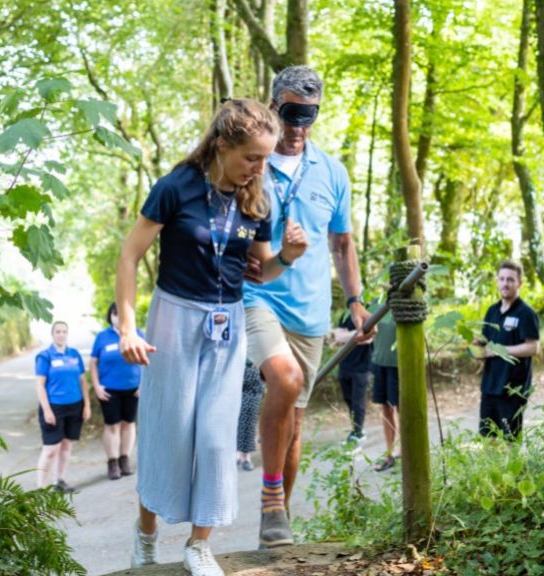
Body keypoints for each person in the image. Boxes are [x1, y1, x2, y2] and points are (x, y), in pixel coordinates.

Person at [115, 99, 308, 576]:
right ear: (222, 145)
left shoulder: (256, 199)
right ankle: (146, 534)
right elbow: (128, 256)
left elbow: (261, 274)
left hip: (228, 322)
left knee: (219, 439)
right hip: (174, 317)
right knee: (170, 432)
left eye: (265, 158)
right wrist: (126, 327)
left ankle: (199, 545)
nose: (260, 167)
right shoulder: (175, 188)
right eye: (252, 157)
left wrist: (288, 256)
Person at [243, 65, 375, 549]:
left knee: (294, 422)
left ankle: (276, 525)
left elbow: (342, 244)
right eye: (292, 113)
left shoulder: (331, 171)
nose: (299, 127)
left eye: (310, 116)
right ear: (274, 106)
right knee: (284, 378)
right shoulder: (251, 163)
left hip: (311, 311)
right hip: (258, 296)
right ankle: (270, 497)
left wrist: (356, 302)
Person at [476, 260, 540, 439]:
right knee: (488, 437)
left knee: (510, 440)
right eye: (502, 279)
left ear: (519, 283)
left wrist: (499, 350)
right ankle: (491, 468)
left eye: (510, 280)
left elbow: (533, 347)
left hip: (513, 389)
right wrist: (477, 348)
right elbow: (485, 345)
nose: (505, 283)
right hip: (489, 386)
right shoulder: (491, 312)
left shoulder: (526, 313)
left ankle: (512, 468)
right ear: (497, 281)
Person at [34, 320, 90, 493]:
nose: (61, 334)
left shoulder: (74, 354)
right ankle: (41, 488)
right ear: (53, 334)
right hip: (54, 408)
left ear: (67, 334)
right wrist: (47, 410)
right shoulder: (45, 356)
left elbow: (83, 381)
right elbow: (40, 385)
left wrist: (87, 405)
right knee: (50, 449)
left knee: (67, 445)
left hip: (75, 406)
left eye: (64, 331)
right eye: (58, 331)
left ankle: (60, 481)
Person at [90, 302, 143, 481]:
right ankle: (112, 462)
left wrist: (144, 384)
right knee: (111, 426)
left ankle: (124, 459)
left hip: (133, 389)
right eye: (115, 313)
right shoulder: (102, 337)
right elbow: (93, 363)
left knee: (128, 424)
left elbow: (148, 359)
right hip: (109, 390)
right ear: (110, 316)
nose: (118, 317)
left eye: (122, 314)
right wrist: (97, 386)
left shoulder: (137, 333)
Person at [329, 311, 373, 446]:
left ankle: (358, 432)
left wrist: (343, 336)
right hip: (345, 364)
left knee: (357, 402)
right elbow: (336, 335)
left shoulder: (366, 312)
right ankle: (355, 429)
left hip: (362, 366)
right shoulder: (345, 314)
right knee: (348, 399)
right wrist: (352, 336)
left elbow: (367, 338)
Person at [370, 308, 399, 472]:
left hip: (399, 364)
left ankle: (403, 451)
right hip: (380, 361)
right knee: (386, 408)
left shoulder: (404, 297)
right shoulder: (376, 302)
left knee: (401, 409)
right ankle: (389, 454)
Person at [236, 360, 264, 471]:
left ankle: (245, 456)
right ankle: (234, 452)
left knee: (249, 415)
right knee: (228, 415)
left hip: (252, 370)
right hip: (228, 368)